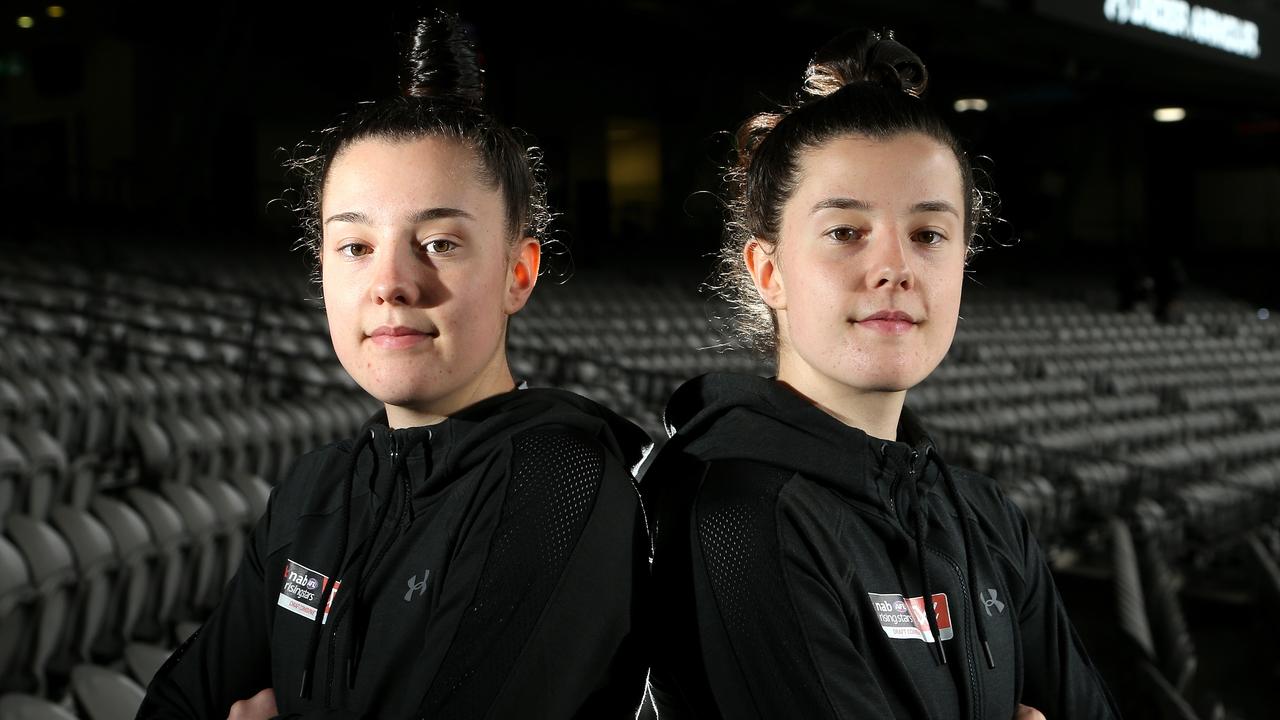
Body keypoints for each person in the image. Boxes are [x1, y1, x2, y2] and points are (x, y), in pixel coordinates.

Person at [138, 13, 650, 719]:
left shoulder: (560, 486)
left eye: (439, 243)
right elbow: (176, 702)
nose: (391, 283)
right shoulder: (318, 488)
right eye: (354, 247)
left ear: (519, 273)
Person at [642, 28, 1120, 719]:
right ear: (769, 271)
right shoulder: (737, 517)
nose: (894, 267)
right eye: (845, 232)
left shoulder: (984, 518)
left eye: (928, 234)